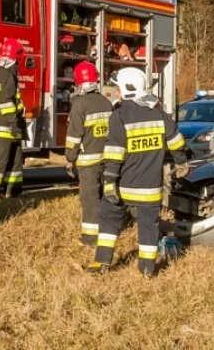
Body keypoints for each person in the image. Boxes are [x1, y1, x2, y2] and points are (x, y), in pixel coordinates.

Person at [87, 67, 189, 278]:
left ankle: (102, 262)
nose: (115, 91)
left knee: (109, 219)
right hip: (151, 188)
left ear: (127, 89)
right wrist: (181, 163)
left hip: (124, 186)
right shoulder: (160, 114)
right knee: (148, 228)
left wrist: (109, 182)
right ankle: (147, 270)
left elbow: (115, 153)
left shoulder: (119, 116)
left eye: (117, 87)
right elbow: (177, 143)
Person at [64, 61, 114, 246]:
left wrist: (70, 158)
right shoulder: (106, 102)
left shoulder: (80, 104)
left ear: (78, 82)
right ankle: (108, 229)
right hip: (107, 160)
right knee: (104, 196)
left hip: (87, 163)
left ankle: (91, 238)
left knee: (90, 198)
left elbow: (74, 137)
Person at [0, 39, 27, 200]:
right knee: (0, 159)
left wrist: (20, 110)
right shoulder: (8, 75)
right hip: (5, 126)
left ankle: (13, 190)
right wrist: (13, 121)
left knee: (15, 159)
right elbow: (6, 102)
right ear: (16, 57)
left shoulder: (0, 73)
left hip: (2, 124)